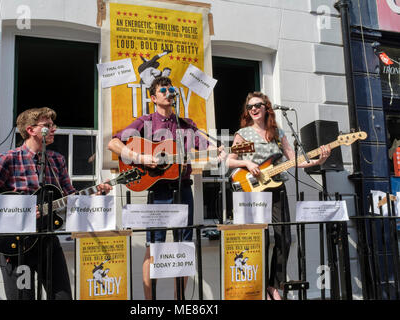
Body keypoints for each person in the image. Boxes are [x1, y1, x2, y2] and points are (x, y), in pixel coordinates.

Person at [0, 107, 113, 300]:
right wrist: (18, 212)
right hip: (16, 242)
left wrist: (95, 195)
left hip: (47, 239)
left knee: (62, 296)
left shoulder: (56, 159)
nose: (54, 129)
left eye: (53, 125)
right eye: (47, 126)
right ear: (31, 130)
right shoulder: (9, 158)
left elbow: (71, 198)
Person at [108, 76, 225, 299]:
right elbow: (113, 143)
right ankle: (149, 302)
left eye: (171, 89)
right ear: (153, 98)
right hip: (159, 192)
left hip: (184, 190)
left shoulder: (187, 124)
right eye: (164, 90)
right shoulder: (144, 121)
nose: (169, 93)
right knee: (154, 246)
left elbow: (206, 147)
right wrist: (140, 157)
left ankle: (179, 300)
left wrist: (218, 150)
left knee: (183, 246)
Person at [226, 92, 330, 300]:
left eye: (257, 105)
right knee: (259, 239)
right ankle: (260, 285)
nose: (253, 109)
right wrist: (247, 163)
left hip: (276, 188)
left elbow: (294, 160)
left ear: (266, 108)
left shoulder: (277, 133)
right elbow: (230, 160)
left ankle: (274, 285)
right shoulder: (244, 133)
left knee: (284, 236)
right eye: (250, 107)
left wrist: (317, 161)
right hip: (252, 189)